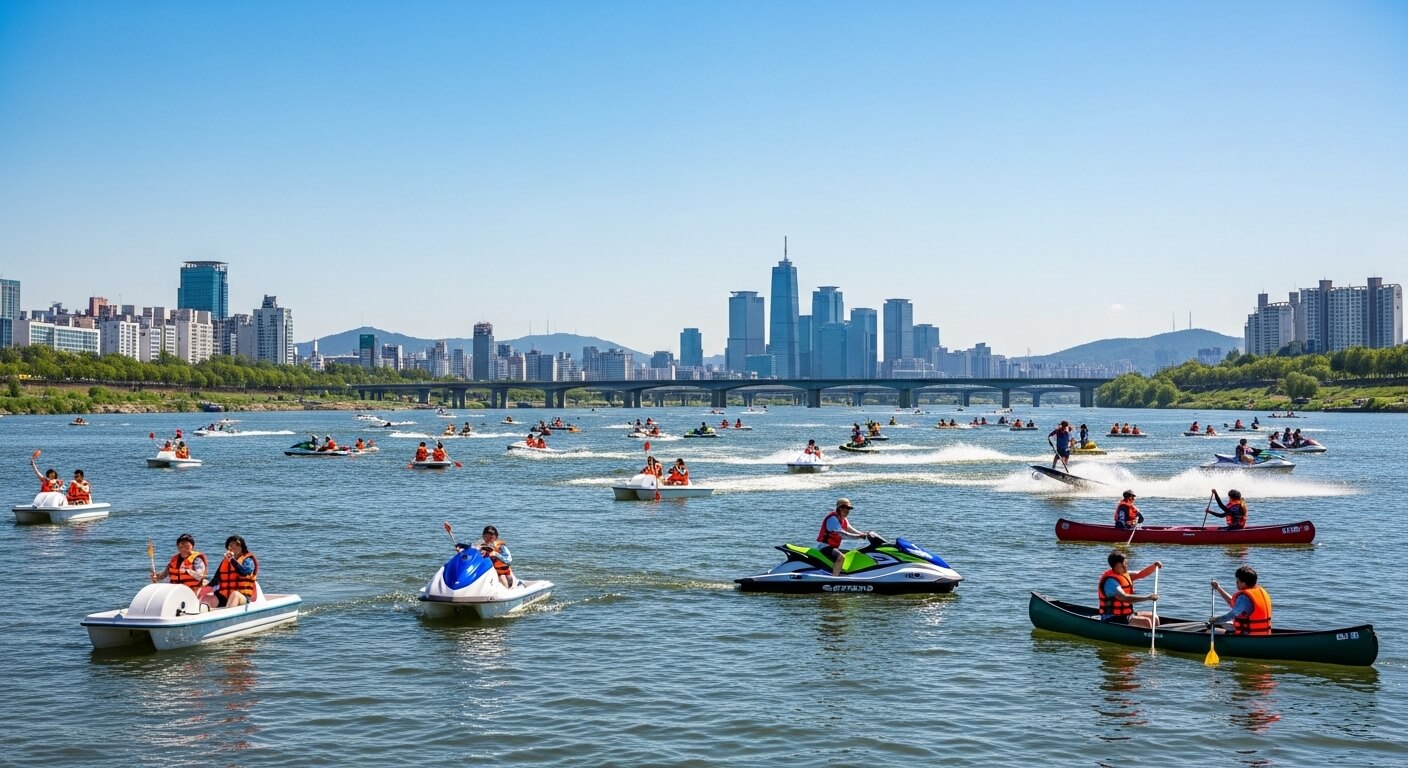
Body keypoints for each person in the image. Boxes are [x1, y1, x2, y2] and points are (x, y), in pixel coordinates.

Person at [1098, 550, 1161, 628]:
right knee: (1146, 622)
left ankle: (1157, 636)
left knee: (1154, 617)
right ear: (1116, 565)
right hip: (1112, 617)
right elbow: (1124, 598)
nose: (1126, 567)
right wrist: (1148, 597)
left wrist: (1154, 566)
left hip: (1126, 614)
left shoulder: (1124, 575)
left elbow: (1140, 574)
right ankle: (1147, 638)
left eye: (1126, 563)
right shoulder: (1110, 582)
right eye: (1124, 564)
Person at [816, 499, 874, 577]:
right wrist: (858, 537)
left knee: (852, 553)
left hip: (833, 547)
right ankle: (834, 579)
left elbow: (851, 529)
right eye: (844, 507)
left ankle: (847, 574)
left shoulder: (843, 520)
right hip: (825, 547)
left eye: (848, 508)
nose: (846, 510)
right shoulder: (833, 519)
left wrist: (864, 534)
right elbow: (843, 534)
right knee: (841, 557)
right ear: (839, 508)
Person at [1211, 565, 1272, 635]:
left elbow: (1231, 615)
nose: (1236, 583)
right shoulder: (1259, 592)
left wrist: (1215, 620)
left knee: (1210, 631)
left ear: (1244, 583)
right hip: (1263, 633)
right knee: (1227, 623)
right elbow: (1232, 602)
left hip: (1247, 635)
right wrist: (1218, 588)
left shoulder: (1244, 598)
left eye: (1238, 580)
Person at [208, 535, 258, 608]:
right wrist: (201, 589)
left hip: (243, 597)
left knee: (235, 594)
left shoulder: (248, 560)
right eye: (231, 545)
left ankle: (226, 617)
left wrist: (232, 560)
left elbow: (244, 572)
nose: (234, 547)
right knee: (208, 598)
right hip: (225, 597)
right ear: (227, 548)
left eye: (237, 545)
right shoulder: (225, 562)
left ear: (242, 547)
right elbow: (215, 581)